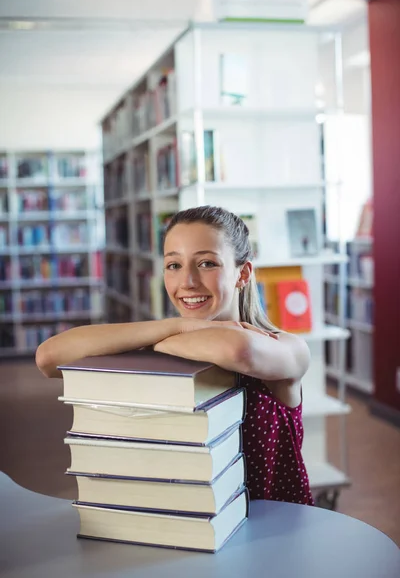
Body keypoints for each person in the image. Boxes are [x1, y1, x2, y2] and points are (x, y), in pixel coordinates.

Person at [36, 205, 314, 505]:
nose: (187, 282)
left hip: (276, 530)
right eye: (173, 265)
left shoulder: (287, 347)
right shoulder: (172, 336)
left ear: (242, 273)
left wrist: (151, 341)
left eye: (207, 263)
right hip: (199, 527)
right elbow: (48, 358)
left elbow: (237, 350)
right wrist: (176, 325)